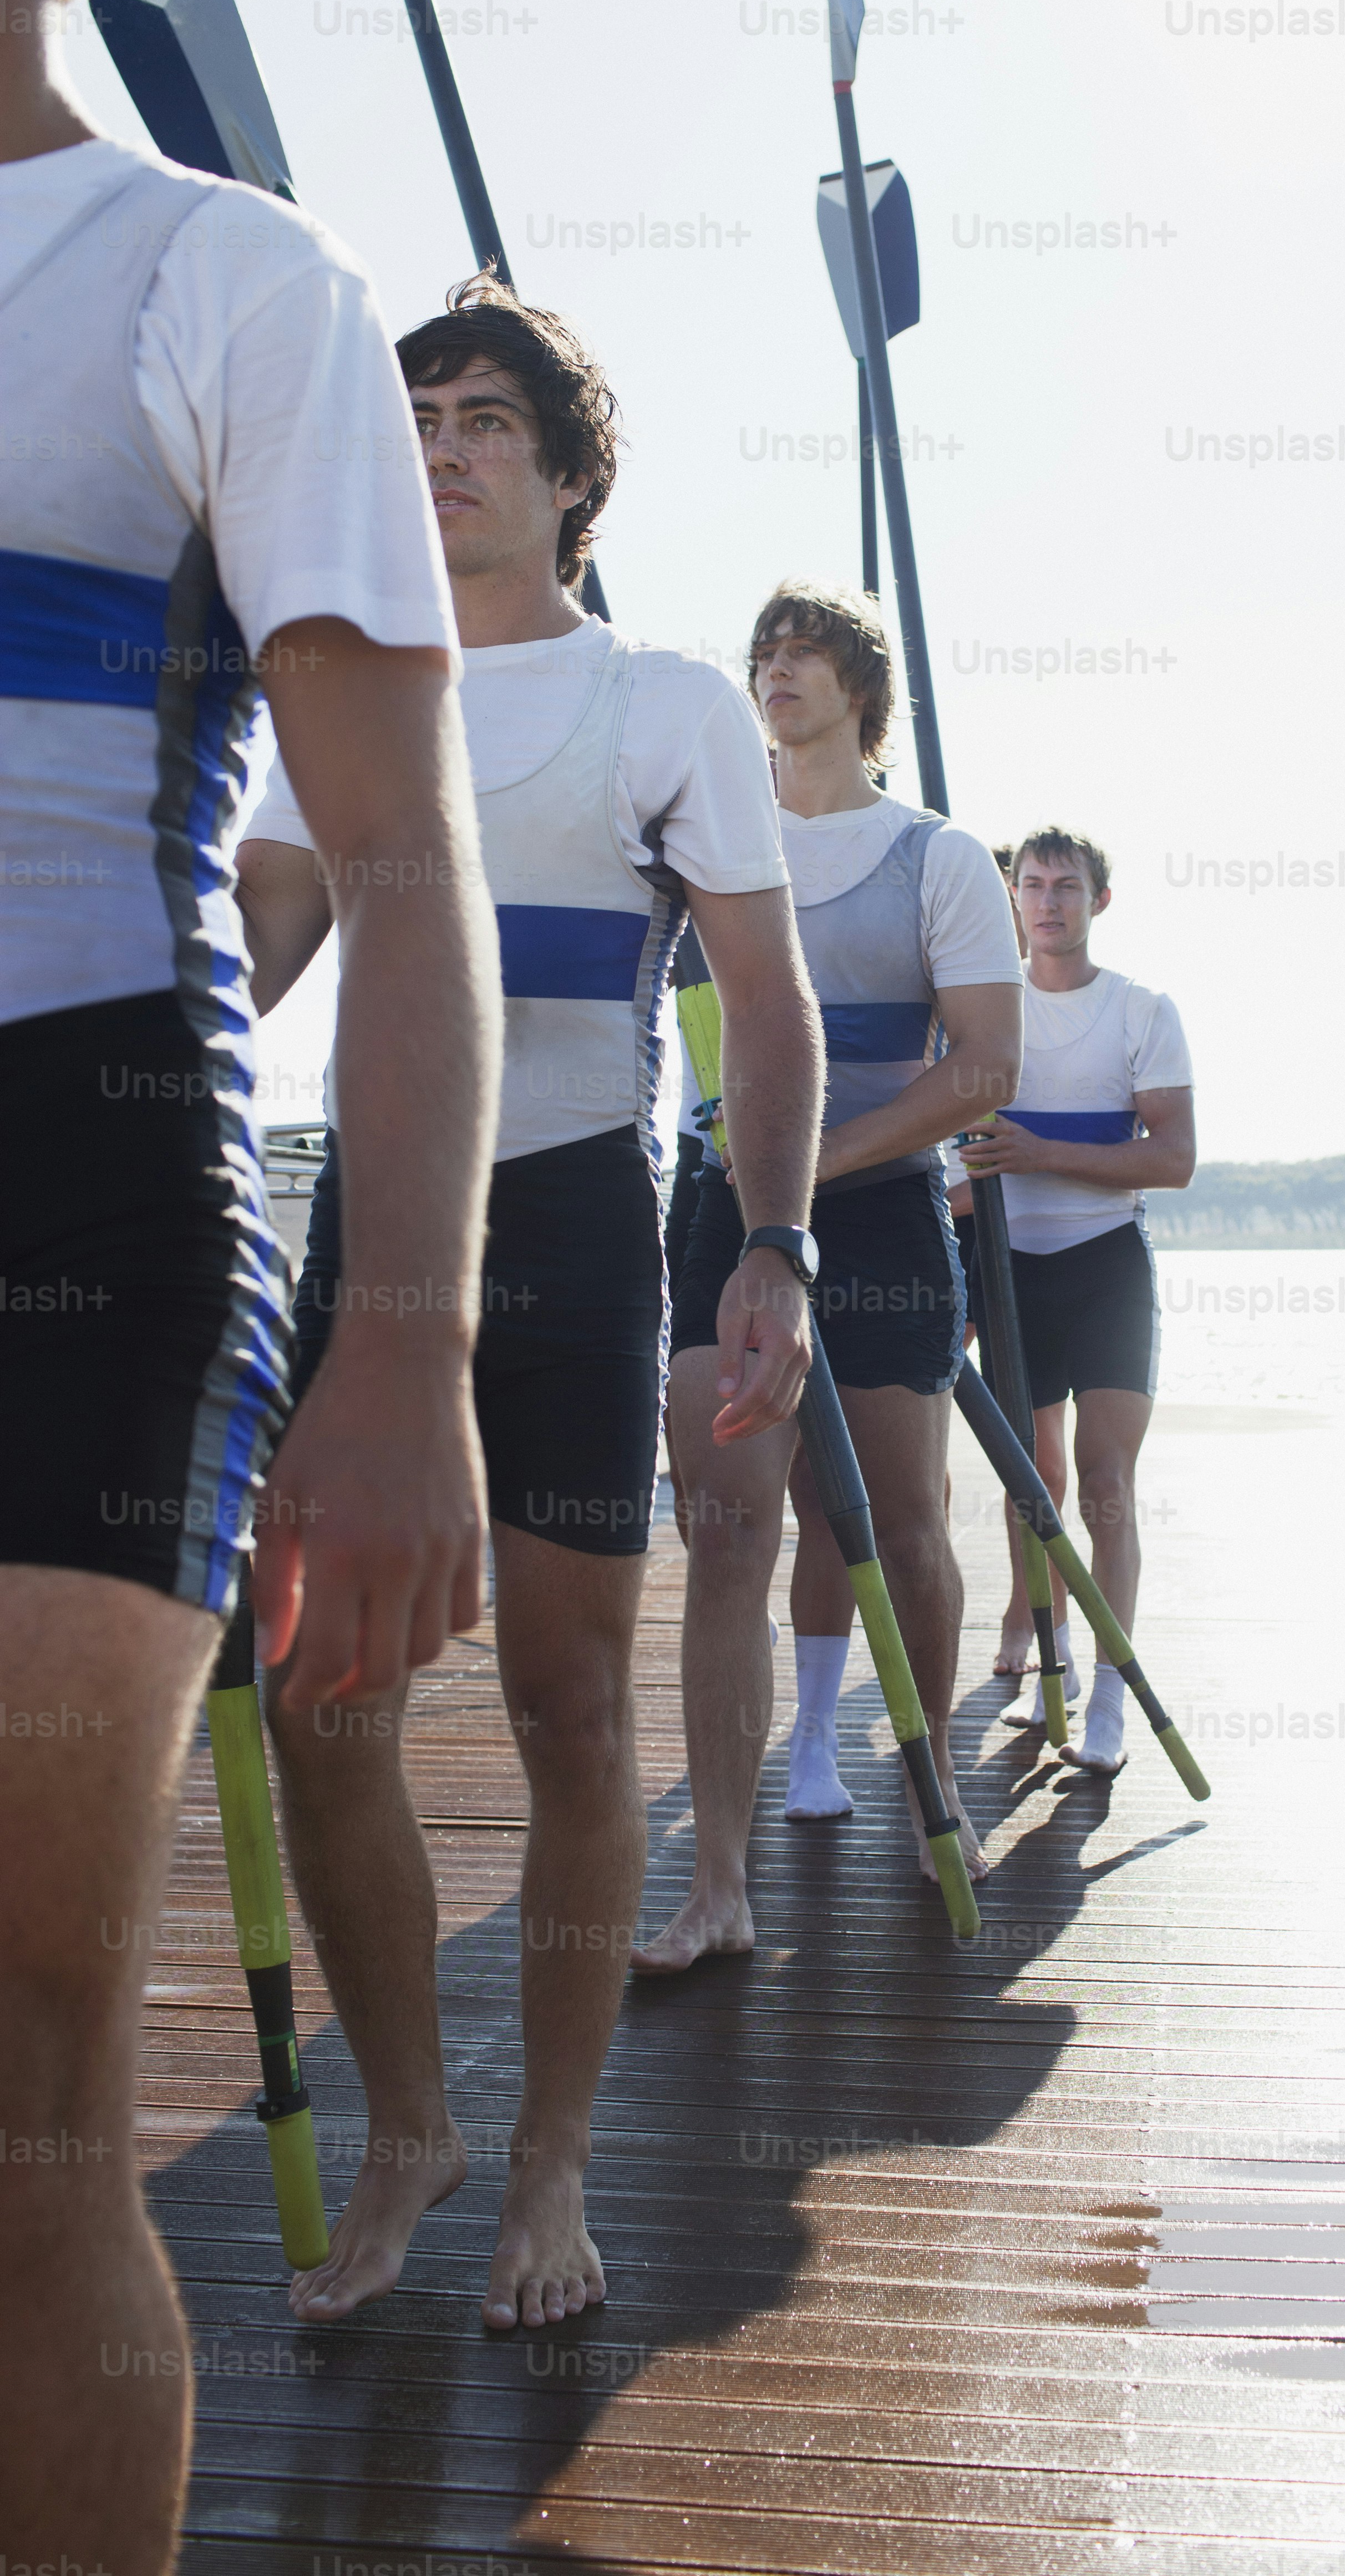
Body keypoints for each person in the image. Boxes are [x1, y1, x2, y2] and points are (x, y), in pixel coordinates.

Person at [0, 0, 501, 2572]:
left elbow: (400, 856)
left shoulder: (225, 276)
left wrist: (406, 1352)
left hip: (77, 1181)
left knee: (28, 2049)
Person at [235, 281, 822, 2330]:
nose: (445, 447)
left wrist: (771, 1246)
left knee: (571, 1710)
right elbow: (250, 965)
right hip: (370, 1243)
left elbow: (763, 1007)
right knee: (327, 1711)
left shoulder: (664, 706)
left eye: (488, 419)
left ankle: (552, 2161)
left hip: (582, 1232)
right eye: (411, 419)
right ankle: (416, 2123)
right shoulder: (332, 690)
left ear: (571, 481)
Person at [636, 581, 1021, 1966]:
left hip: (879, 1223)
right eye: (762, 656)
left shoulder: (940, 858)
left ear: (863, 687)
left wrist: (811, 1165)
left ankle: (935, 1802)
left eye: (803, 652)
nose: (775, 672)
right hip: (717, 1212)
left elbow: (983, 1069)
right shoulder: (691, 850)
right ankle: (720, 1884)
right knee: (727, 1533)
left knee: (907, 1528)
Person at [959, 827, 1194, 1772]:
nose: (1048, 901)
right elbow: (958, 1164)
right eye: (1031, 885)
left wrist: (1038, 1153)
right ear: (1010, 900)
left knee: (1103, 1484)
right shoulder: (980, 1013)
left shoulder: (1141, 1011)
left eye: (1067, 886)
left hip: (1105, 1266)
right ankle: (1039, 1629)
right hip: (1006, 1263)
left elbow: (1171, 1160)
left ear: (1100, 901)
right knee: (1032, 1481)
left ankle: (1106, 1694)